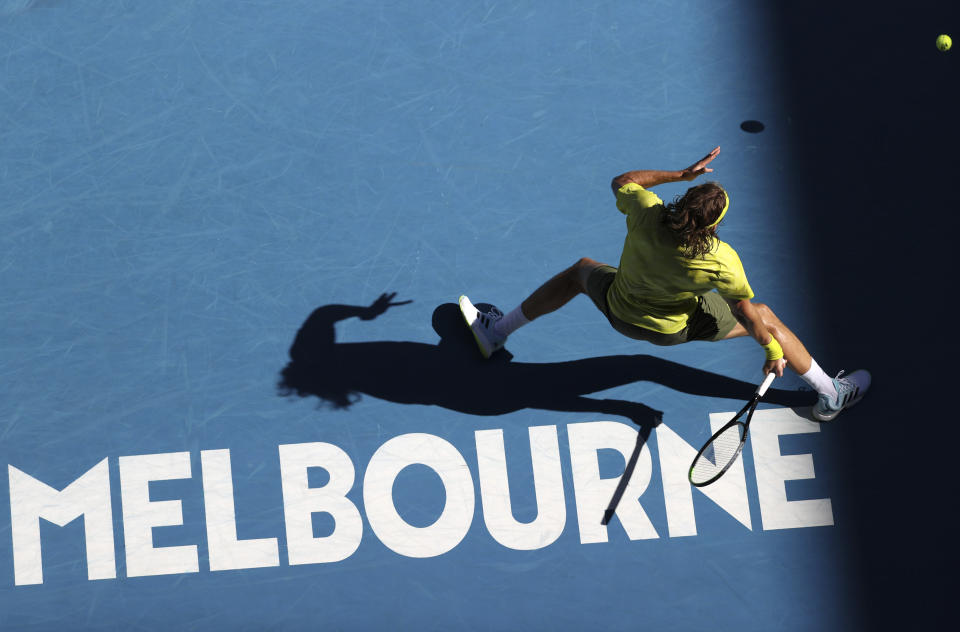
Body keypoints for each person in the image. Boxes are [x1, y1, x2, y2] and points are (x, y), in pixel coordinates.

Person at [460, 146, 869, 422]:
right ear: (714, 225)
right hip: (672, 330)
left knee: (581, 271)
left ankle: (495, 332)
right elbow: (747, 310)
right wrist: (770, 347)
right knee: (766, 317)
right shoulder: (720, 261)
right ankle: (830, 394)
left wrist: (679, 173)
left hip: (618, 309)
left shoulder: (646, 212)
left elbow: (623, 180)